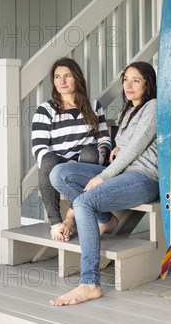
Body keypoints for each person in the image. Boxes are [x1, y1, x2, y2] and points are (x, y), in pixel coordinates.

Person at [48, 61, 159, 306]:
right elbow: (127, 146)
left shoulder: (153, 107)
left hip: (144, 178)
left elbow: (135, 151)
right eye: (126, 79)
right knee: (59, 173)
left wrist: (103, 176)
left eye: (136, 80)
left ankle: (89, 283)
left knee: (86, 203)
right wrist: (118, 147)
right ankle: (105, 219)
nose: (128, 85)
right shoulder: (129, 110)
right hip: (121, 174)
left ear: (148, 85)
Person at [31, 57, 112, 242]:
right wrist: (64, 162)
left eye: (67, 76)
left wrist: (102, 151)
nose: (62, 81)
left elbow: (104, 138)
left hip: (87, 161)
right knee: (48, 161)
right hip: (58, 162)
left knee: (90, 153)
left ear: (77, 78)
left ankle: (71, 218)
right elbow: (39, 146)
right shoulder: (45, 110)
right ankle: (56, 223)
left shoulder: (93, 106)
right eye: (57, 77)